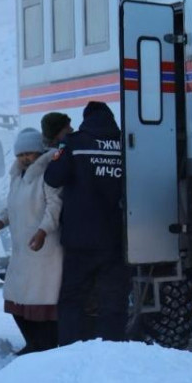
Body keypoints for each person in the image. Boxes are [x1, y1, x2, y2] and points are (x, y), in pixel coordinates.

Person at [44, 101, 128, 345]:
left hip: (80, 239)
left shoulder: (75, 143)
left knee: (73, 299)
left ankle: (71, 350)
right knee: (113, 300)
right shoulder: (127, 144)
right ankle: (113, 351)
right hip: (116, 238)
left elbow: (52, 178)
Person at [0, 127, 63, 354]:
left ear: (39, 152)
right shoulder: (17, 176)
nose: (24, 158)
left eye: (29, 153)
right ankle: (34, 343)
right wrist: (1, 221)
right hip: (23, 250)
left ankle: (45, 347)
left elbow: (55, 205)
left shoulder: (47, 173)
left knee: (41, 303)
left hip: (44, 251)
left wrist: (43, 231)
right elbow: (13, 205)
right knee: (15, 299)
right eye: (20, 154)